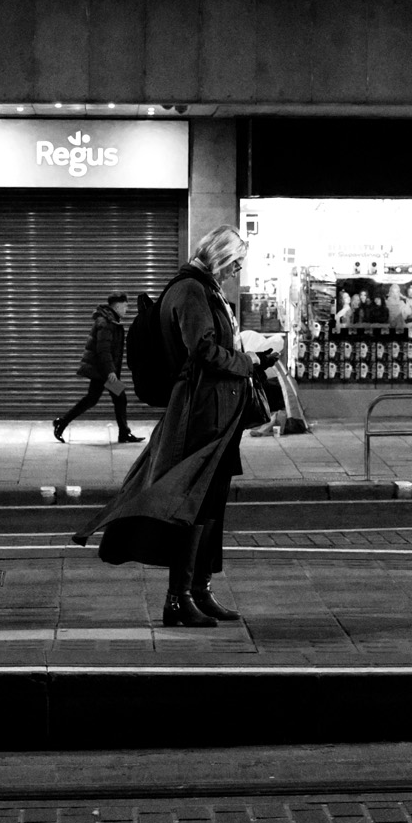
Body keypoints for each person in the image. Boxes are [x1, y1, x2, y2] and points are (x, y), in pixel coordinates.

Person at [72, 224, 277, 628]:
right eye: (235, 260)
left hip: (220, 412)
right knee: (193, 504)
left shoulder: (207, 289)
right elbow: (201, 349)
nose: (238, 268)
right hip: (202, 412)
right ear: (218, 254)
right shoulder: (190, 289)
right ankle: (178, 598)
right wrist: (248, 363)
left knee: (212, 503)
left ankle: (199, 590)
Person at [53, 291, 142, 445]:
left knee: (95, 399)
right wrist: (110, 372)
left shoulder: (111, 321)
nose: (126, 309)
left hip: (103, 370)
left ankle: (62, 422)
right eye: (126, 306)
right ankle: (123, 433)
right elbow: (103, 350)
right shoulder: (106, 323)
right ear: (118, 305)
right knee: (117, 398)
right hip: (102, 371)